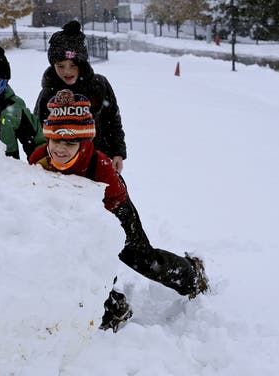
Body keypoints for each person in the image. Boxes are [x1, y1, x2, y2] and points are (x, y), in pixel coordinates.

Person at [29, 89, 208, 333]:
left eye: (70, 142)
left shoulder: (99, 165)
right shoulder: (39, 159)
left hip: (114, 213)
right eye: (56, 140)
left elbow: (116, 200)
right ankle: (112, 309)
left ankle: (190, 275)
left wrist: (102, 231)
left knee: (143, 260)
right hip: (74, 220)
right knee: (86, 268)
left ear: (83, 142)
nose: (61, 149)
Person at [34, 20, 127, 173]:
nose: (67, 72)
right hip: (60, 163)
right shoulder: (48, 92)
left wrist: (117, 152)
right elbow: (38, 129)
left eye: (73, 65)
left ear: (82, 63)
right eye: (60, 66)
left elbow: (112, 120)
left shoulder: (98, 85)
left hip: (96, 161)